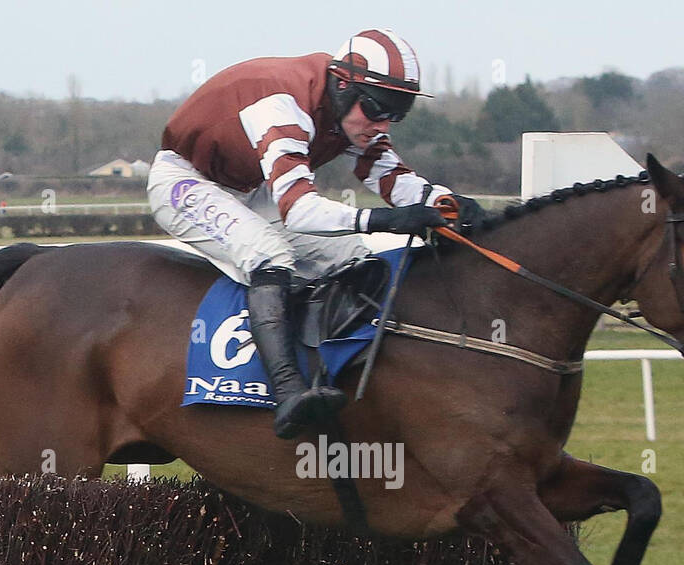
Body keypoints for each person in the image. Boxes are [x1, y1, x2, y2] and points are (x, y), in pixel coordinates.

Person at [148, 29, 483, 438]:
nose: (381, 124)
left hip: (253, 186)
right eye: (377, 110)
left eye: (396, 115)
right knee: (270, 257)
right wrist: (384, 221)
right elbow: (301, 210)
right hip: (185, 180)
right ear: (343, 85)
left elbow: (391, 176)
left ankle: (333, 372)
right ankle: (288, 393)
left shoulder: (350, 108)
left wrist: (446, 202)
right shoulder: (282, 106)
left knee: (353, 256)